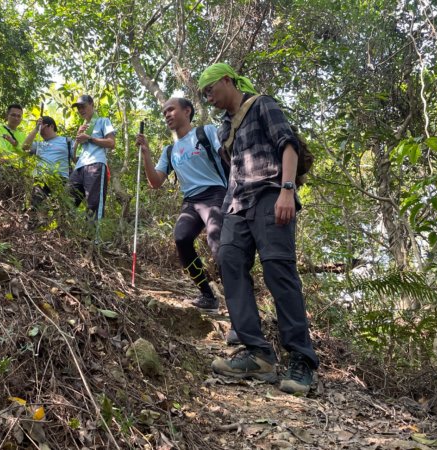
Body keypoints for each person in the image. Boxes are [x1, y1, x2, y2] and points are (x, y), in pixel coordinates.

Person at [198, 63, 319, 394]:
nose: (207, 97)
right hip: (237, 205)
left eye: (209, 89)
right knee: (228, 261)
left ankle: (301, 360)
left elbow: (288, 144)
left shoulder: (262, 104)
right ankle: (258, 354)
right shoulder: (224, 128)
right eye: (203, 94)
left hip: (271, 194)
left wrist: (287, 190)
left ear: (227, 79)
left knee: (278, 271)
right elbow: (233, 170)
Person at [135, 97, 226, 314]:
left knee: (219, 244)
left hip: (215, 194)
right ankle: (207, 295)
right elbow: (155, 182)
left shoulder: (206, 132)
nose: (166, 114)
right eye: (164, 112)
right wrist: (146, 153)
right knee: (181, 239)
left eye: (171, 110)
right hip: (191, 201)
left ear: (187, 111)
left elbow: (228, 154)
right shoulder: (170, 150)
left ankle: (237, 305)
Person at [69, 95, 115, 220]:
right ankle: (63, 237)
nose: (81, 110)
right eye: (78, 108)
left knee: (93, 205)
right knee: (67, 200)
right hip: (79, 167)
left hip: (96, 164)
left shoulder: (103, 121)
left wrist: (90, 138)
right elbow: (74, 156)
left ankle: (93, 238)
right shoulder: (83, 127)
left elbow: (111, 143)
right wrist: (78, 137)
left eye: (83, 106)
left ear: (92, 104)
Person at [0, 104, 26, 179]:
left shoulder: (22, 134)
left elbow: (24, 151)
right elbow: (1, 149)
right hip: (1, 167)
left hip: (18, 171)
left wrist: (14, 143)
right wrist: (16, 157)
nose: (16, 118)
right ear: (7, 116)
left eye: (19, 116)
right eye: (13, 115)